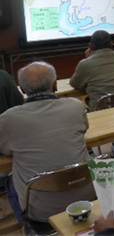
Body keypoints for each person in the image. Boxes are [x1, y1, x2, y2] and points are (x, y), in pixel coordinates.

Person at [0, 62, 94, 224]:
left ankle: (27, 227)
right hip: (88, 198)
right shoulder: (75, 106)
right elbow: (84, 128)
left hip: (41, 213)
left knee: (9, 180)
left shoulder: (9, 119)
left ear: (21, 89)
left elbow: (4, 149)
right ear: (55, 84)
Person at [70, 30, 114, 111]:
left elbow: (75, 84)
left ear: (90, 46)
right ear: (111, 45)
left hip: (101, 109)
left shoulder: (85, 63)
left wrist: (88, 58)